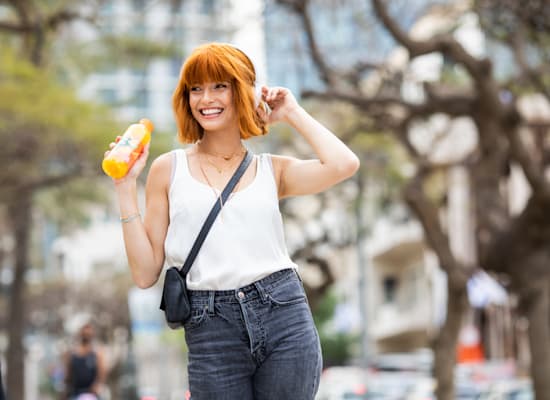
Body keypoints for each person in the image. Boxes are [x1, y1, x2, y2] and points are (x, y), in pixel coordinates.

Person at [107, 42, 360, 399]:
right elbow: (145, 272)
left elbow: (344, 164)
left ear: (241, 91)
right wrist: (125, 185)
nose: (205, 98)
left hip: (282, 313)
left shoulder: (272, 170)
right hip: (210, 326)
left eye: (219, 86)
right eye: (196, 88)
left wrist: (292, 112)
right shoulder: (168, 169)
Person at [62, 322, 106, 400]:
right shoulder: (73, 354)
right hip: (75, 393)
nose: (86, 335)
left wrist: (96, 386)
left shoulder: (96, 353)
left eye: (88, 333)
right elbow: (68, 375)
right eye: (84, 333)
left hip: (91, 394)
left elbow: (101, 373)